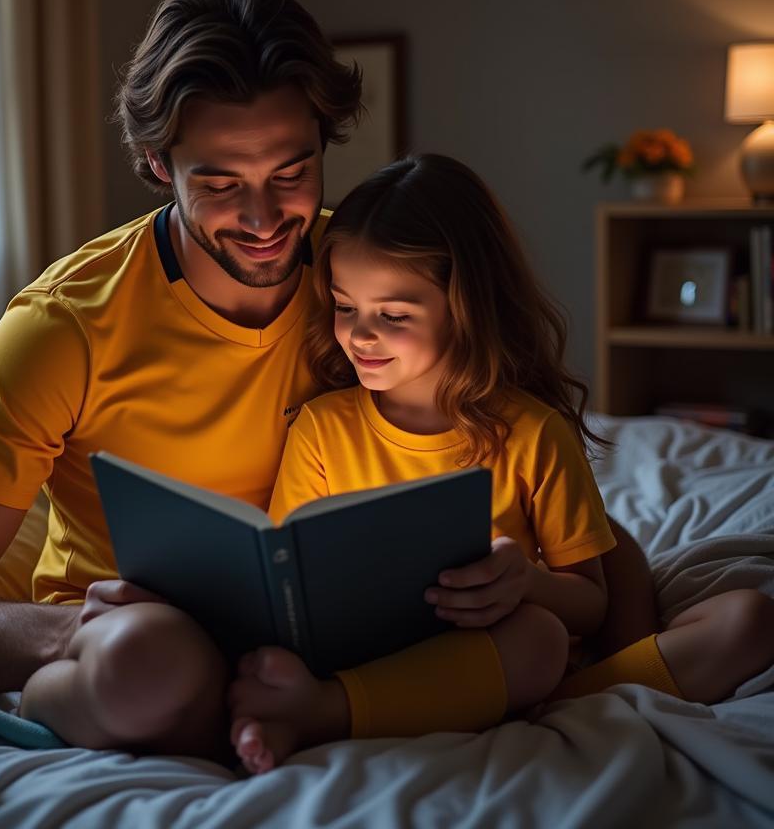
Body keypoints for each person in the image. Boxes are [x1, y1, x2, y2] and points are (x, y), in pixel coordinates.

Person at [0, 0, 363, 761]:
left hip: (338, 628)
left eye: (292, 175)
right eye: (222, 184)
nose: (266, 222)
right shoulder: (65, 325)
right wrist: (68, 629)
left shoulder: (369, 280)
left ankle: (295, 710)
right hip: (141, 639)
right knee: (148, 664)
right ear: (159, 165)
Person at [228, 154, 774, 775]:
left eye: (395, 315)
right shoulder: (323, 429)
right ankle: (361, 703)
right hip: (372, 656)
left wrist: (526, 582)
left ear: (466, 307)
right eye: (345, 307)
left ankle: (538, 701)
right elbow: (291, 580)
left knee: (736, 620)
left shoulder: (532, 432)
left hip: (507, 650)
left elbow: (588, 605)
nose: (359, 335)